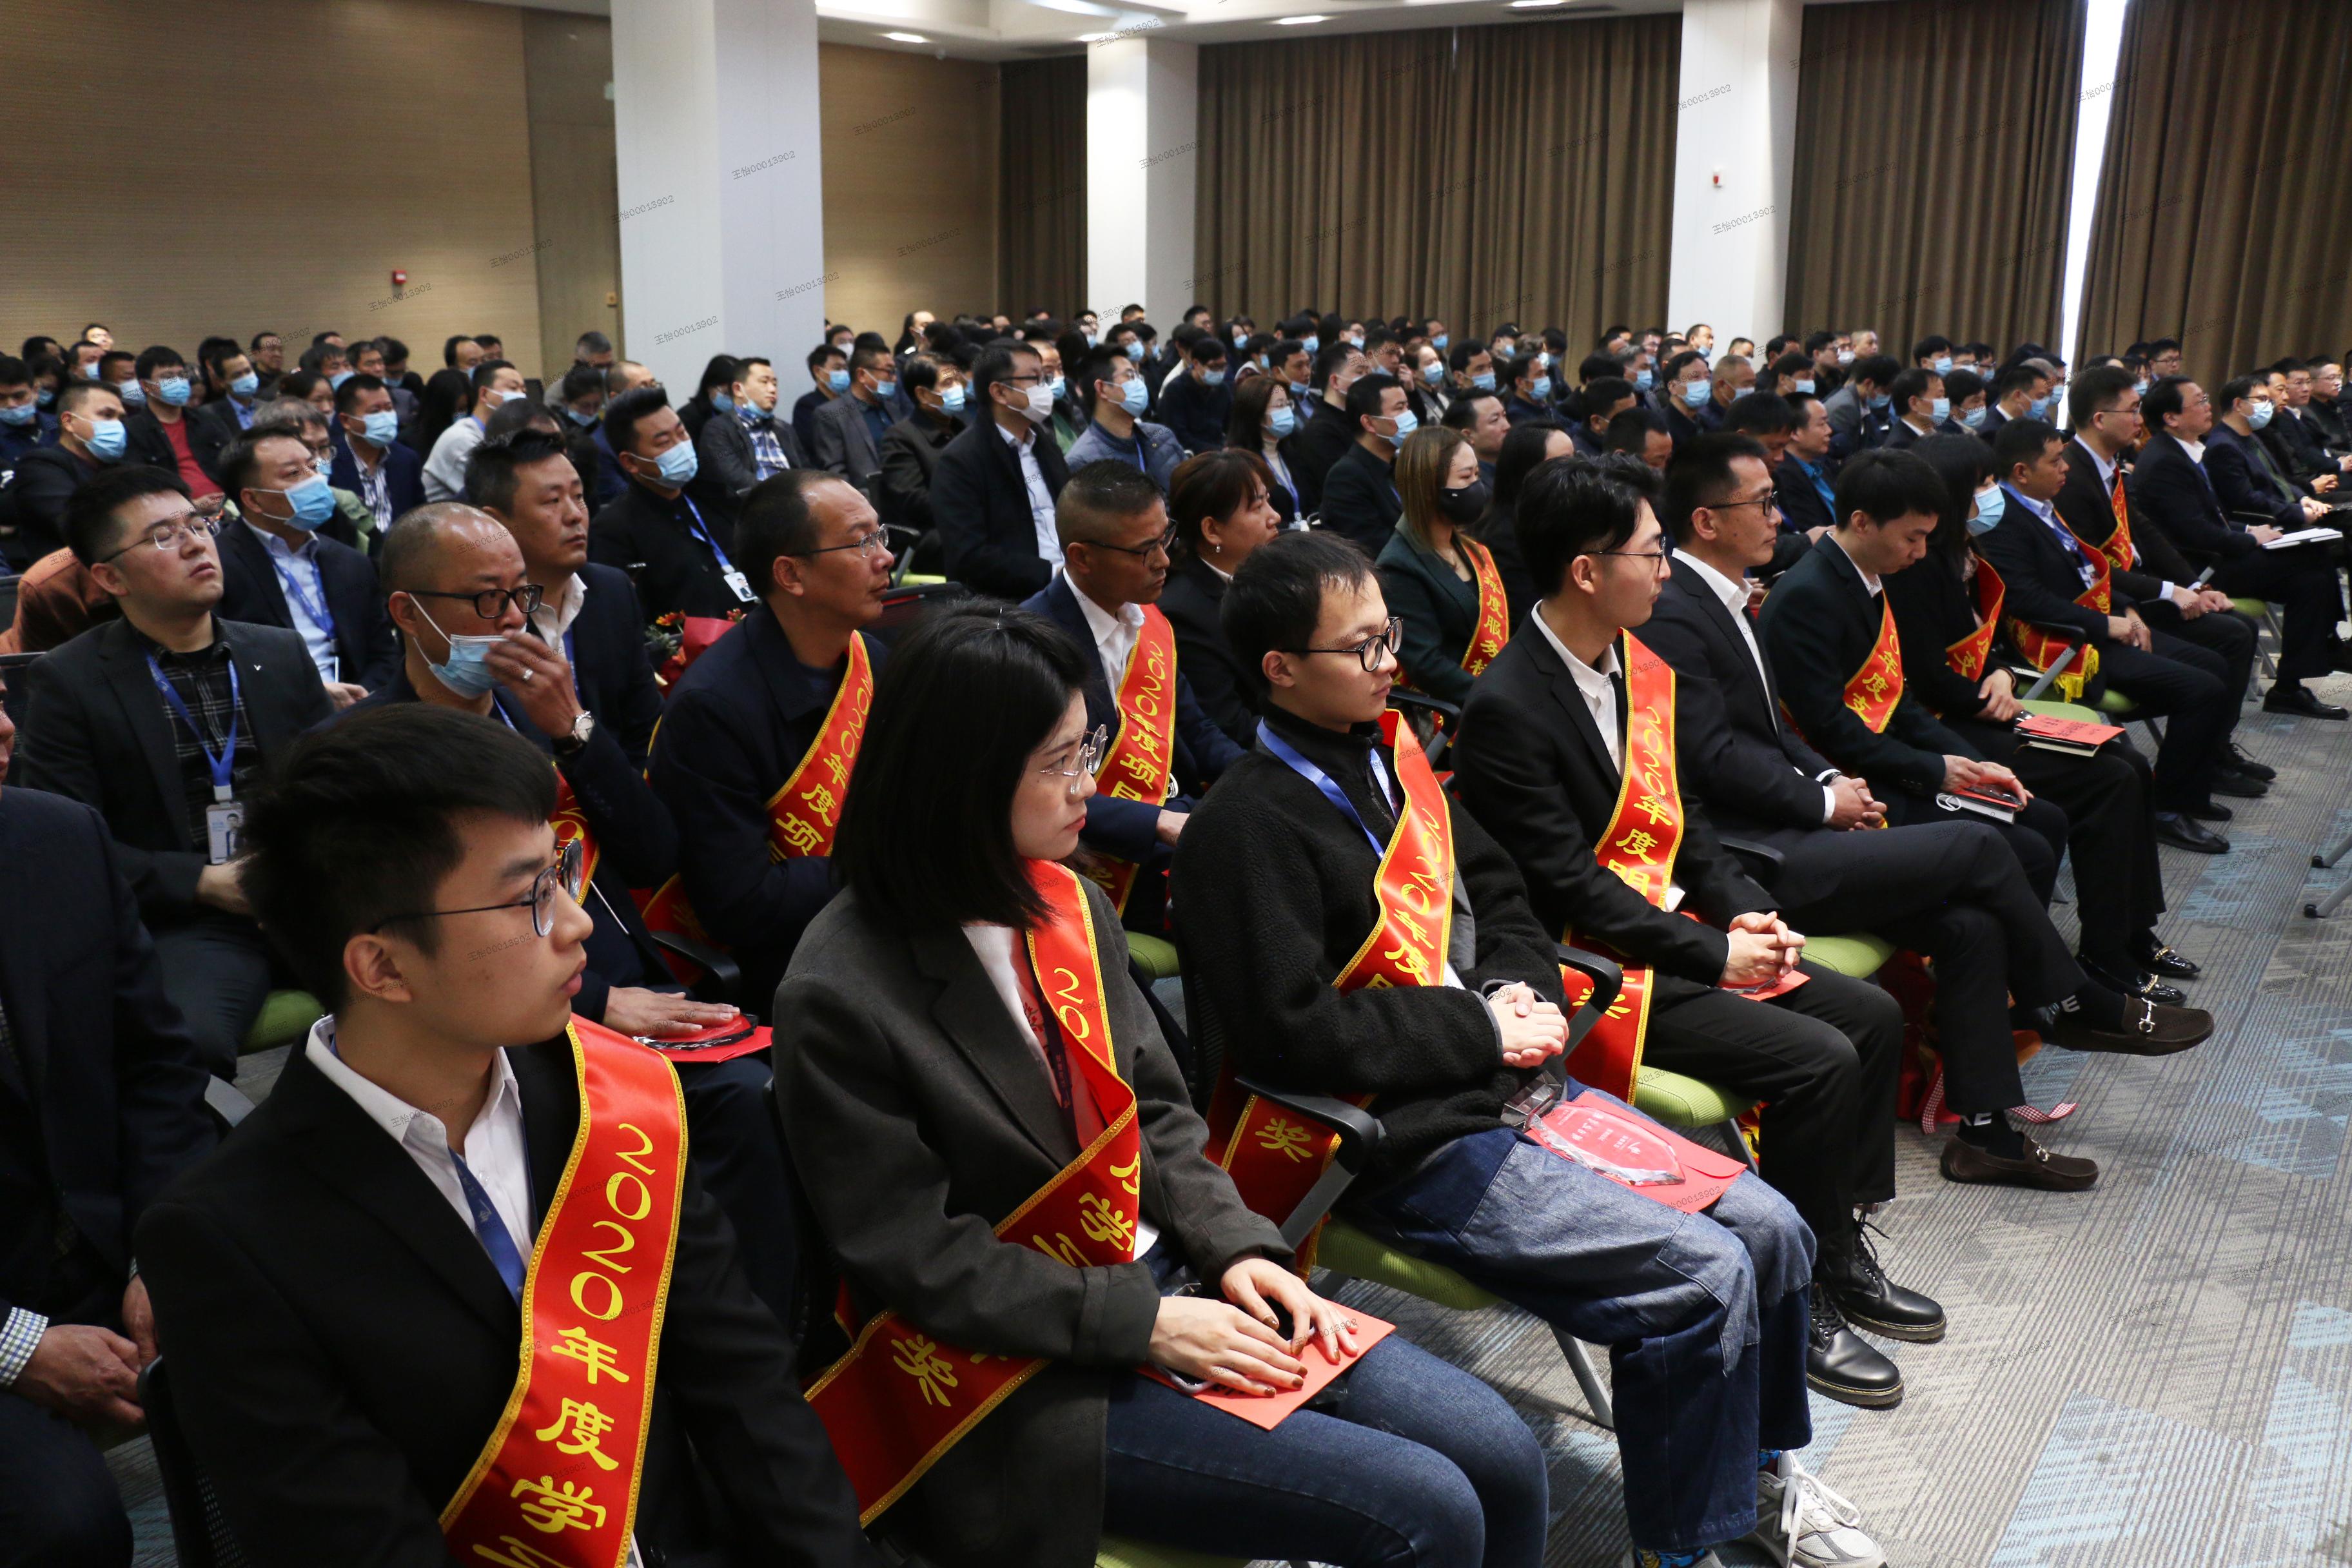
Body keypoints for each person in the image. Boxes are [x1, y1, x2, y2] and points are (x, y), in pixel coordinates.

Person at [774, 603, 1547, 1568]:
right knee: (1426, 1508)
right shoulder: (840, 990)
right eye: (1060, 761)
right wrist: (1142, 1321)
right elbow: (918, 1257)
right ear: (962, 780)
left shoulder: (1066, 900)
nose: (1089, 786)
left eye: (1086, 748)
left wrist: (1235, 1244)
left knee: (1502, 1454)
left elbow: (1159, 1114)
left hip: (1178, 1277)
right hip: (1027, 1360)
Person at [1174, 530, 1880, 1568]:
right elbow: (1291, 1033)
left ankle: (1759, 1475)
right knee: (1700, 1278)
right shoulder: (1244, 826)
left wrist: (1518, 989)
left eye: (1389, 636)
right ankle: (1686, 1545)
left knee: (1772, 1228)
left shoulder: (1393, 757)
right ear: (1280, 668)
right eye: (1362, 648)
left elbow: (1506, 898)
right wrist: (1478, 1027)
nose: (1391, 663)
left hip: (1508, 1082)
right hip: (1404, 1135)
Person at [133, 703, 880, 1566]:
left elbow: (751, 1401)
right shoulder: (229, 1238)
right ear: (382, 965)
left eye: (559, 873)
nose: (577, 923)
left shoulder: (612, 1099)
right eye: (529, 897)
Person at [1451, 453, 1933, 1407]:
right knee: (1817, 1058)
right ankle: (1797, 1299)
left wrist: (1742, 908)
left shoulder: (1638, 666)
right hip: (1593, 967)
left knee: (1873, 1017)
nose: (1667, 570)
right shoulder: (1507, 705)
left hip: (1671, 932)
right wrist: (1717, 953)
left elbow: (1688, 826)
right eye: (1651, 552)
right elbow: (1570, 885)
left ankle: (1835, 1249)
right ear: (1587, 571)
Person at [11, 466, 333, 1073]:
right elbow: (69, 844)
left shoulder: (278, 651)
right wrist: (201, 882)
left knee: (437, 972)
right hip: (190, 919)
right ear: (110, 577)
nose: (195, 544)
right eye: (163, 535)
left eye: (199, 524)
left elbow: (338, 787)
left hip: (303, 894)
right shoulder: (70, 680)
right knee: (188, 1039)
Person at [0, 691, 215, 1568]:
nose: (5, 726)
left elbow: (157, 1068)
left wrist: (158, 1252)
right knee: (66, 1527)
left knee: (357, 1363)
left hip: (106, 1243)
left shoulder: (56, 835)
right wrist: (16, 1347)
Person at [1888, 433, 2201, 995]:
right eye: (1983, 485)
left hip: (1982, 704)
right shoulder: (1916, 564)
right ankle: (2105, 949)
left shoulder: (1961, 550)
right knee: (2108, 779)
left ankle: (2135, 930)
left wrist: (2002, 675)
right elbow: (1928, 676)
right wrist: (1990, 693)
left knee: (2127, 759)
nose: (1993, 495)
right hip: (1945, 723)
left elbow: (1985, 646)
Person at [649, 469, 895, 1015]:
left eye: (881, 536)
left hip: (884, 918)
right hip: (797, 967)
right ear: (791, 574)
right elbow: (740, 904)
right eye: (861, 542)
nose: (885, 558)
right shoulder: (712, 710)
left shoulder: (870, 658)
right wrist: (889, 855)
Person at [1974, 419, 2253, 845]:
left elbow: (2092, 570)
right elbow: (2028, 600)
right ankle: (2165, 808)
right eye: (2055, 461)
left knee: (2214, 663)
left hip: (2099, 624)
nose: (2066, 468)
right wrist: (2107, 623)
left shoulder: (2044, 506)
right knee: (2202, 688)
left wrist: (2128, 610)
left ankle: (2192, 789)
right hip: (2065, 644)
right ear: (2022, 472)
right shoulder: (2004, 522)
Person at [1020, 461, 1243, 935]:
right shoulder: (1032, 644)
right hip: (1104, 859)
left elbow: (1198, 731)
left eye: (1166, 538)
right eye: (1145, 550)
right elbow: (1038, 792)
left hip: (1180, 821)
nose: (1165, 561)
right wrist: (1158, 822)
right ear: (1082, 557)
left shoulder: (1148, 619)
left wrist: (1263, 774)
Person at [2125, 377, 2347, 720]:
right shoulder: (2165, 460)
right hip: (2197, 567)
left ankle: (2290, 686)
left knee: (2311, 578)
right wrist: (2249, 538)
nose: (2208, 407)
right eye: (2200, 402)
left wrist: (2248, 529)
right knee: (2311, 559)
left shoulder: (2184, 449)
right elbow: (2195, 533)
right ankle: (2326, 649)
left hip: (2216, 553)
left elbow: (2210, 518)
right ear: (2171, 418)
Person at [213, 431, 397, 703]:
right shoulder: (217, 567)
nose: (314, 479)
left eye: (312, 466)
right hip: (274, 711)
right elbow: (225, 665)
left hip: (360, 710)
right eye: (293, 474)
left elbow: (384, 654)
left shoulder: (351, 562)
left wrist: (361, 701)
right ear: (253, 500)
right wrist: (311, 696)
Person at [589, 383, 750, 619]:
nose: (681, 446)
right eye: (664, 442)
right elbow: (626, 617)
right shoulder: (615, 530)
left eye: (681, 433)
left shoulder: (716, 495)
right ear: (630, 462)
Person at [1162, 449, 1284, 749]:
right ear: (1212, 530)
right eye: (1258, 507)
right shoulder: (1184, 613)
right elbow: (1230, 725)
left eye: (1268, 501)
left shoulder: (1272, 570)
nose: (1275, 517)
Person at [1375, 426, 1505, 705]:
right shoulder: (1398, 566)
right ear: (1429, 489)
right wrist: (1499, 699)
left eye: (1477, 475)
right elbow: (1426, 665)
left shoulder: (1470, 547)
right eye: (1466, 477)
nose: (1477, 486)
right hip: (1454, 711)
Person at [934, 340, 1071, 599]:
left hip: (1070, 583)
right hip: (1011, 601)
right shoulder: (960, 461)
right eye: (1035, 378)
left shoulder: (1043, 443)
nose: (1044, 387)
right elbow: (970, 556)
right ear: (999, 392)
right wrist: (1053, 574)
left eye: (1044, 378)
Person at [0, 380, 125, 572]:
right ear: (68, 422)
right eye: (107, 415)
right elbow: (79, 527)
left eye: (121, 418)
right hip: (71, 579)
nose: (117, 425)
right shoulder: (40, 466)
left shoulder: (123, 467)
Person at [1068, 344, 1186, 495]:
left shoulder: (1162, 436)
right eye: (1130, 376)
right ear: (1102, 388)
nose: (1139, 384)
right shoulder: (1083, 461)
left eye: (1137, 376)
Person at [1318, 372, 1412, 554]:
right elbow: (1373, 548)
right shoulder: (1346, 478)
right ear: (1369, 423)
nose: (1408, 415)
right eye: (1400, 408)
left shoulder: (1399, 465)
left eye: (1407, 406)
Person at [327, 371, 427, 542]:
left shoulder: (407, 458)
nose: (385, 417)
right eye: (375, 411)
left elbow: (419, 514)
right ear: (346, 421)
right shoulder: (327, 460)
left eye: (389, 408)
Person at [698, 355, 806, 504]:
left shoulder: (784, 429)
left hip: (795, 504)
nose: (772, 389)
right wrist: (783, 498)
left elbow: (806, 470)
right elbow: (734, 478)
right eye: (764, 382)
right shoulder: (718, 428)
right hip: (753, 506)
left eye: (775, 384)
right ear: (738, 389)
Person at [119, 347, 220, 502]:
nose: (177, 382)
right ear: (146, 386)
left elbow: (232, 463)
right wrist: (191, 507)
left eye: (182, 375)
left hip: (226, 504)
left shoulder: (207, 419)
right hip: (176, 510)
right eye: (167, 377)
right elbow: (140, 487)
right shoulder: (133, 430)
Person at [421, 359, 525, 502]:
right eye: (513, 388)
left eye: (523, 390)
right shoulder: (461, 439)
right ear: (484, 394)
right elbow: (497, 499)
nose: (521, 396)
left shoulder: (504, 435)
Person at [1288, 342, 1368, 511]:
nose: (1367, 379)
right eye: (1360, 372)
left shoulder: (1358, 419)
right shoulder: (1320, 432)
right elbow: (1345, 487)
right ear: (1335, 381)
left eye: (1368, 372)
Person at [808, 343, 897, 489]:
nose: (894, 379)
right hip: (865, 498)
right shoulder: (830, 415)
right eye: (889, 371)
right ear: (862, 375)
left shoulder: (892, 409)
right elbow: (836, 474)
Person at [1224, 372, 1306, 525]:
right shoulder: (1241, 463)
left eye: (1288, 404)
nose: (1287, 411)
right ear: (1257, 413)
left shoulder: (1294, 447)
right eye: (1280, 406)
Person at [1156, 335, 1233, 453]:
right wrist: (1215, 451)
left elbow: (1231, 425)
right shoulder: (1175, 390)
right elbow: (1177, 435)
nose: (1220, 372)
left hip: (1219, 451)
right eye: (1213, 367)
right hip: (1188, 454)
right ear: (1196, 363)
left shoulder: (1222, 389)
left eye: (1223, 366)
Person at [794, 342, 850, 455]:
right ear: (818, 371)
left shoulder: (850, 403)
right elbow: (818, 444)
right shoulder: (807, 406)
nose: (843, 373)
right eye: (837, 368)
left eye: (845, 369)